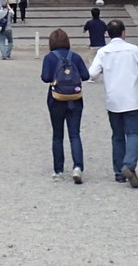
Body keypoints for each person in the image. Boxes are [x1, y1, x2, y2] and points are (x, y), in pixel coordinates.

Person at [87, 19, 138, 187]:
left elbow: (92, 74)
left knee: (118, 136)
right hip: (132, 98)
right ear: (123, 32)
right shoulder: (133, 50)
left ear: (108, 34)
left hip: (113, 99)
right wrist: (136, 86)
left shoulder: (103, 52)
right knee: (134, 134)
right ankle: (129, 165)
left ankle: (118, 172)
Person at [40, 28, 90, 183]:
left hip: (56, 98)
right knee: (75, 134)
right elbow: (86, 75)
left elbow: (46, 77)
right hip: (75, 97)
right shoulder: (75, 56)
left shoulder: (50, 58)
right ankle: (77, 167)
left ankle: (59, 170)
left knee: (57, 135)